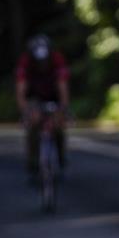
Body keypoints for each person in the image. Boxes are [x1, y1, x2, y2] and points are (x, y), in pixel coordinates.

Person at [15, 34, 70, 181]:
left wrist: (63, 108)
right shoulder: (26, 62)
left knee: (58, 125)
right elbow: (21, 91)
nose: (42, 64)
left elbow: (62, 87)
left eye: (44, 61)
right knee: (33, 122)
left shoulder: (57, 59)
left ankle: (60, 156)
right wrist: (25, 110)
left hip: (53, 94)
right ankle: (33, 161)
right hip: (34, 95)